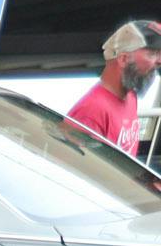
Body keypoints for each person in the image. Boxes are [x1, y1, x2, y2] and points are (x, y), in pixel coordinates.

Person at [67, 21, 161, 155]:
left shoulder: (130, 96)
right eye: (152, 53)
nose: (159, 61)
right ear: (123, 59)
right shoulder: (91, 111)